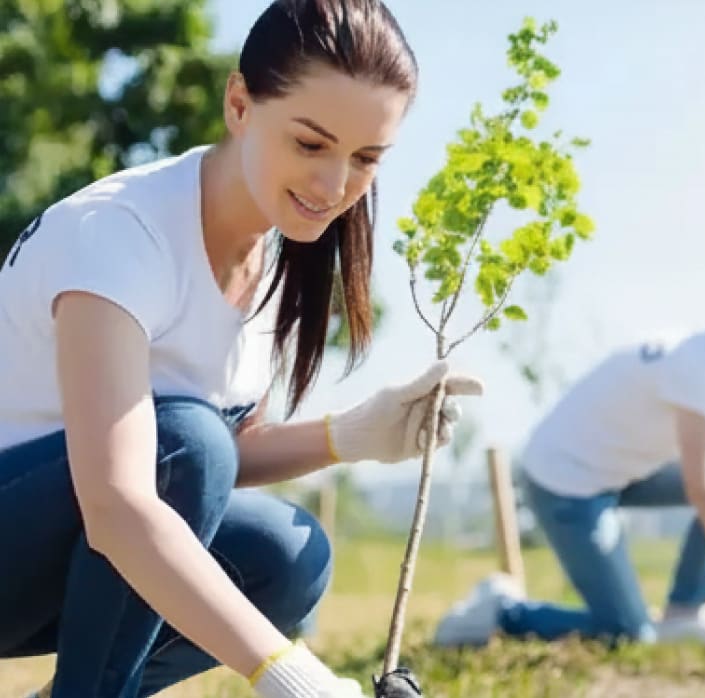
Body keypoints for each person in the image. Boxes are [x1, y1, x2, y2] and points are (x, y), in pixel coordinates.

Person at [0, 2, 486, 696]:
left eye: (365, 159)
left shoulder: (270, 256)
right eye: (311, 144)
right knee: (187, 445)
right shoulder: (120, 234)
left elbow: (220, 458)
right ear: (238, 104)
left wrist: (351, 435)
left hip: (50, 547)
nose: (334, 186)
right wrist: (287, 674)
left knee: (288, 557)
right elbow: (120, 500)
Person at [432, 280, 705, 649]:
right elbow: (702, 489)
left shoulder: (696, 355)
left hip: (612, 470)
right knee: (627, 632)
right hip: (566, 484)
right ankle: (503, 610)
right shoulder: (696, 369)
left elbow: (667, 427)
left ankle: (687, 611)